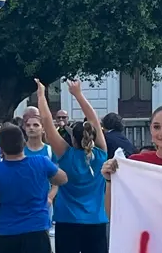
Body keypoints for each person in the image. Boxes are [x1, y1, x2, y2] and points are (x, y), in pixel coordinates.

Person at [36, 80, 108, 253]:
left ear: (73, 139)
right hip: (96, 220)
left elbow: (46, 121)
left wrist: (41, 94)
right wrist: (78, 94)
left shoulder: (65, 155)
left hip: (67, 220)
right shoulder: (101, 154)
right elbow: (94, 119)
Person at [0, 124, 68, 253]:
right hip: (36, 231)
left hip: (6, 233)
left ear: (0, 147)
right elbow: (63, 179)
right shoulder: (41, 162)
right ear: (23, 143)